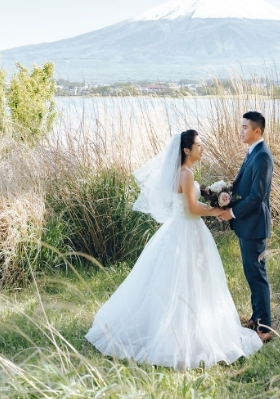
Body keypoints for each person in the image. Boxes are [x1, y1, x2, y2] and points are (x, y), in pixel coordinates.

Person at [85, 130, 263, 369]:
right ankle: (185, 331)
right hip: (188, 229)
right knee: (189, 278)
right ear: (186, 150)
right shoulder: (186, 174)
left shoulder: (182, 173)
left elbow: (188, 204)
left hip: (180, 228)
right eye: (198, 145)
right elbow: (191, 208)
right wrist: (215, 211)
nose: (202, 148)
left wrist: (212, 200)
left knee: (180, 278)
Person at [218, 111, 275, 341]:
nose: (240, 131)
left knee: (257, 275)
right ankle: (257, 317)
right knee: (251, 273)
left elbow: (256, 196)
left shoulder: (262, 156)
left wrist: (231, 212)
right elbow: (245, 185)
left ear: (257, 131)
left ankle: (265, 329)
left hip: (255, 226)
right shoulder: (252, 151)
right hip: (248, 226)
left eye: (244, 128)